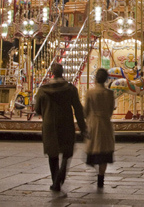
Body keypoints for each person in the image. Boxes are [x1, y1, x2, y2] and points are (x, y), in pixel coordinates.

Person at [34, 63, 87, 192]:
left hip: (49, 124)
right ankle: (60, 176)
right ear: (62, 73)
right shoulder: (70, 89)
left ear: (52, 73)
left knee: (53, 153)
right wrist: (83, 127)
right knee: (67, 152)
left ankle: (55, 181)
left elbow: (37, 109)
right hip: (66, 122)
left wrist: (45, 112)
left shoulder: (43, 90)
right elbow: (78, 109)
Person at [84, 68, 115, 188]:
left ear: (95, 79)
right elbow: (110, 109)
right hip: (106, 124)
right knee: (105, 154)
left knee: (93, 149)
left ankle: (94, 165)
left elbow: (86, 110)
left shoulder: (90, 93)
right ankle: (101, 178)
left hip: (93, 124)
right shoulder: (110, 93)